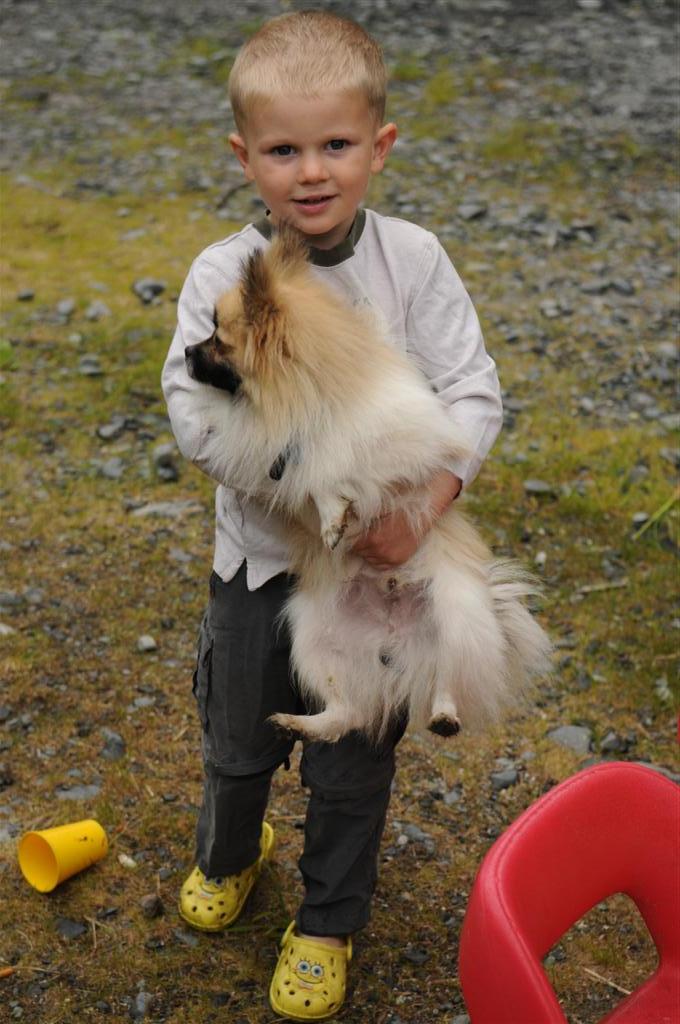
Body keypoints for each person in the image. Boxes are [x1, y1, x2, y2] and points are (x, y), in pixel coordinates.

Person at [161, 10, 502, 1021]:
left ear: (378, 147)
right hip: (262, 565)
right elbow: (193, 412)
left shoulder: (413, 260)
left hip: (389, 563)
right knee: (234, 742)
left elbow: (474, 392)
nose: (310, 171)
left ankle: (327, 919)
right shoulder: (222, 273)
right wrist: (307, 483)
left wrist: (424, 506)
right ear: (245, 155)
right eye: (282, 149)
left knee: (355, 767)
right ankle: (231, 853)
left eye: (335, 145)